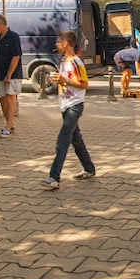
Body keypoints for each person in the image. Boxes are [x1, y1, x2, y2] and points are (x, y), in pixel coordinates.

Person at [41, 30, 96, 190]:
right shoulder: (64, 61)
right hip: (65, 104)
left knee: (63, 140)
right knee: (76, 140)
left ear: (66, 43)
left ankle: (54, 177)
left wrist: (65, 80)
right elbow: (66, 81)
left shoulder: (76, 62)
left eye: (59, 42)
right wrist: (58, 79)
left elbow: (84, 84)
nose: (56, 45)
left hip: (75, 105)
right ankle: (89, 168)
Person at [0, 13, 22, 138]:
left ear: (0, 23)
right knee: (2, 98)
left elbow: (16, 56)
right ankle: (9, 124)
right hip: (0, 73)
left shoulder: (13, 37)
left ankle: (8, 127)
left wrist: (9, 74)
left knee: (10, 98)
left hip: (12, 74)